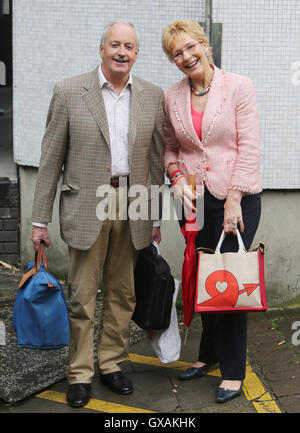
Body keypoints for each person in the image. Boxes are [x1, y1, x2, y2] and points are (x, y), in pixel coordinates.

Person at [31, 20, 164, 408]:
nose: (122, 52)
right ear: (101, 49)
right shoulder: (70, 91)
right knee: (83, 294)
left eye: (130, 46)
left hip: (132, 203)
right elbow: (50, 159)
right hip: (87, 202)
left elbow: (155, 161)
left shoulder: (152, 96)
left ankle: (110, 363)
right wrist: (39, 221)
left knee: (123, 293)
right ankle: (79, 372)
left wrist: (155, 216)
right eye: (115, 45)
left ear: (137, 54)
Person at [161, 20, 262, 404]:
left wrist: (234, 198)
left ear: (205, 46)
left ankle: (234, 372)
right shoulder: (172, 96)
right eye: (177, 54)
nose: (186, 57)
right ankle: (208, 356)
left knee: (230, 284)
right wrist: (174, 177)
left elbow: (249, 147)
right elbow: (170, 149)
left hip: (236, 199)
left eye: (190, 48)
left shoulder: (238, 86)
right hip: (193, 201)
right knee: (204, 277)